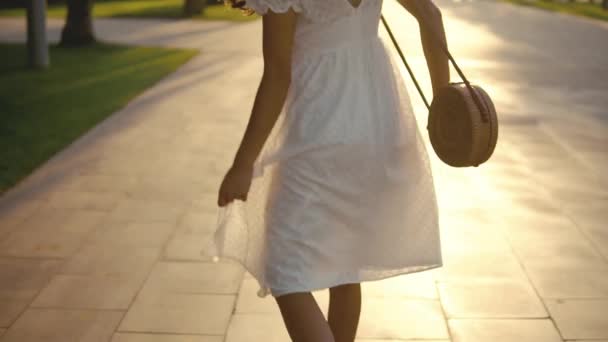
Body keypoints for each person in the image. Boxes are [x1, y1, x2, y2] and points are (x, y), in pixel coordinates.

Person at [210, 0, 449, 341]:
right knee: (345, 263)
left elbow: (277, 76)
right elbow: (430, 14)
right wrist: (443, 105)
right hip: (379, 121)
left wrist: (243, 163)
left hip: (321, 124)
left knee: (284, 269)